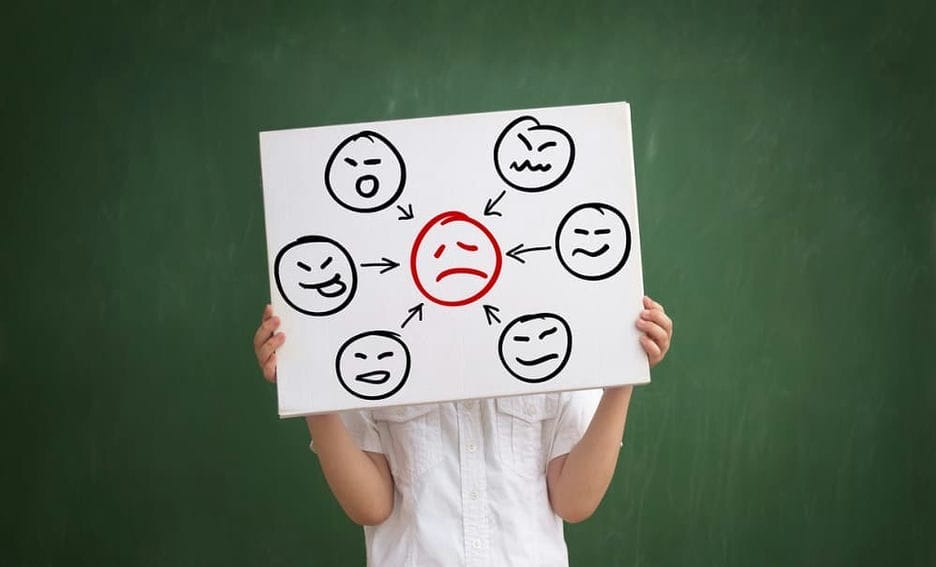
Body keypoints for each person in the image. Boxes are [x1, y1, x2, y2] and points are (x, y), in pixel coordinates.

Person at [253, 296, 673, 566]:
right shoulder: (369, 344)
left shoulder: (551, 331)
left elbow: (574, 500)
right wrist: (309, 389)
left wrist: (622, 377)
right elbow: (371, 505)